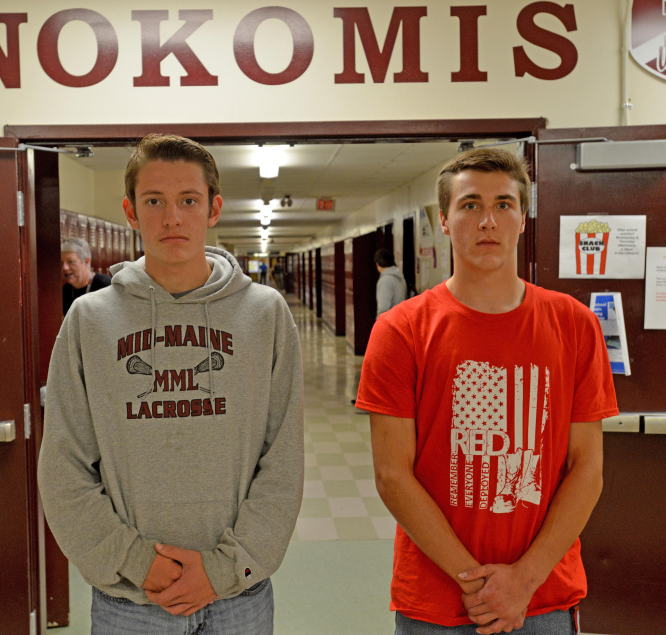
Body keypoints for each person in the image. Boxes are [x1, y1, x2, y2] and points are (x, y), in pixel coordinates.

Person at [38, 134, 304, 635]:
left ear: (214, 208)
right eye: (154, 201)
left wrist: (224, 567)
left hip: (237, 599)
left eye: (188, 201)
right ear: (130, 212)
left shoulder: (264, 314)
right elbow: (63, 465)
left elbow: (283, 457)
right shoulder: (90, 321)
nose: (172, 218)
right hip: (129, 602)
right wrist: (137, 561)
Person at [356, 148, 618, 635]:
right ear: (445, 220)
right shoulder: (401, 330)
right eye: (471, 205)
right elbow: (393, 475)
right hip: (437, 601)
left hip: (543, 598)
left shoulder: (574, 325)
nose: (487, 221)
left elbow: (588, 469)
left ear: (522, 219)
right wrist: (479, 585)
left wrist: (523, 581)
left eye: (503, 205)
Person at [62, 236, 112, 315]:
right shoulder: (66, 291)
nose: (64, 268)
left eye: (70, 262)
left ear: (86, 261)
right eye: (61, 263)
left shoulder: (107, 286)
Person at [374, 248, 407, 318]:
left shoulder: (385, 281)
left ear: (377, 264)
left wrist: (379, 325)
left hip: (390, 322)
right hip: (400, 319)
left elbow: (383, 308)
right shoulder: (400, 277)